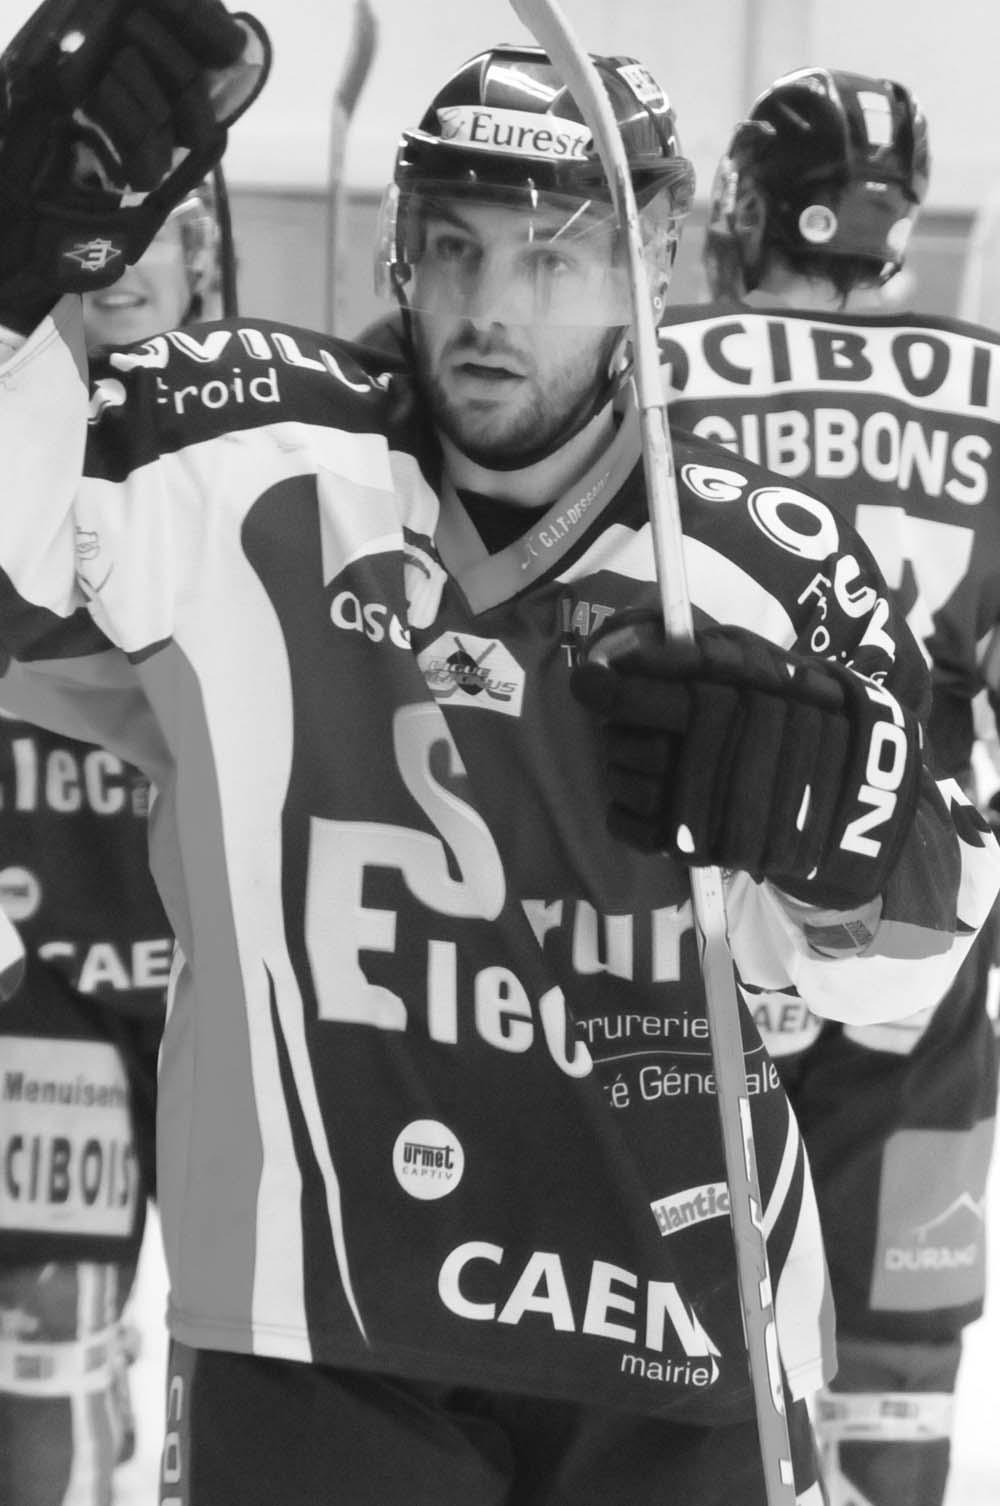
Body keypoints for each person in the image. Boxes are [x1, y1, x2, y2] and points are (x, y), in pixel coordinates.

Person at [0, 8, 996, 1503]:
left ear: (655, 262)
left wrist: (845, 840)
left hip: (681, 1332)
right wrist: (11, 286)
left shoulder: (761, 567)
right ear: (403, 248)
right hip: (315, 1324)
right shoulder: (240, 455)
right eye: (455, 248)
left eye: (550, 259)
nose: (488, 307)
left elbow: (912, 960)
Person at [657, 66, 1000, 1506]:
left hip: (702, 910)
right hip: (922, 930)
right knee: (900, 1370)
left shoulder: (664, 360)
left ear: (751, 207)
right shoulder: (989, 386)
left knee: (672, 1364)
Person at [0, 173, 233, 1506]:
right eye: (97, 233)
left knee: (249, 1368)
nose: (123, 260)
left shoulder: (276, 439)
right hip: (48, 974)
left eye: (160, 230)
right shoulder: (13, 421)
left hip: (231, 988)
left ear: (204, 250)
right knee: (48, 1348)